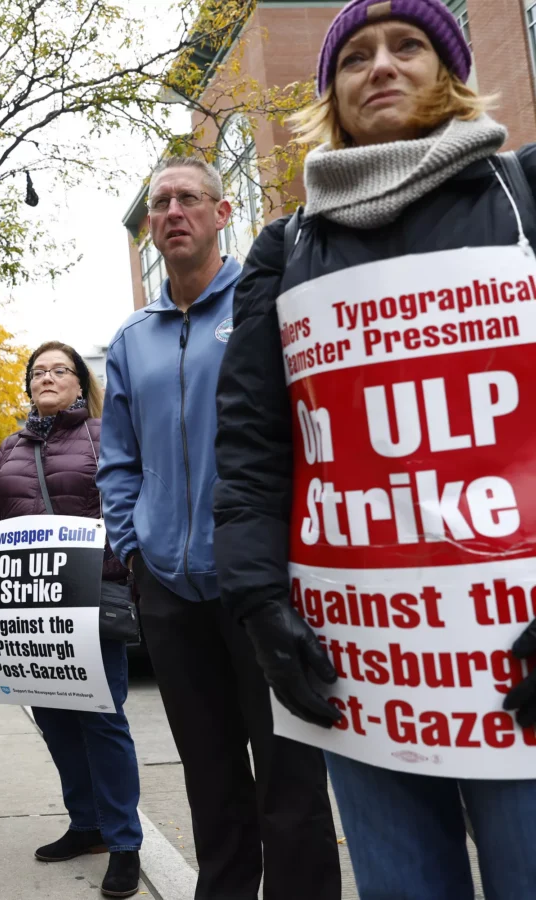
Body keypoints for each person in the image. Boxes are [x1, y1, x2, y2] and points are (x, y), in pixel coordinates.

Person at [214, 1, 536, 896]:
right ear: (330, 94)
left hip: (514, 653)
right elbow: (251, 446)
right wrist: (259, 603)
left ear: (452, 73)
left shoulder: (528, 193)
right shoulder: (285, 249)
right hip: (362, 661)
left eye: (409, 47)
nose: (381, 67)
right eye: (355, 56)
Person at [97, 155, 341, 900]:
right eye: (160, 204)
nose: (171, 212)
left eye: (187, 199)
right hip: (169, 589)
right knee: (210, 776)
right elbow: (118, 459)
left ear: (221, 212)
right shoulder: (131, 338)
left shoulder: (267, 302)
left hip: (262, 582)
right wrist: (135, 549)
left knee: (290, 781)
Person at [0, 341, 143, 899]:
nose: (47, 378)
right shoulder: (9, 447)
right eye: (38, 372)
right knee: (55, 722)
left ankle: (124, 843)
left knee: (101, 721)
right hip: (28, 612)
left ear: (79, 383)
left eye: (59, 370)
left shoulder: (102, 434)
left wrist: (118, 566)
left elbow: (124, 506)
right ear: (28, 385)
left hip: (90, 606)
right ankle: (86, 824)